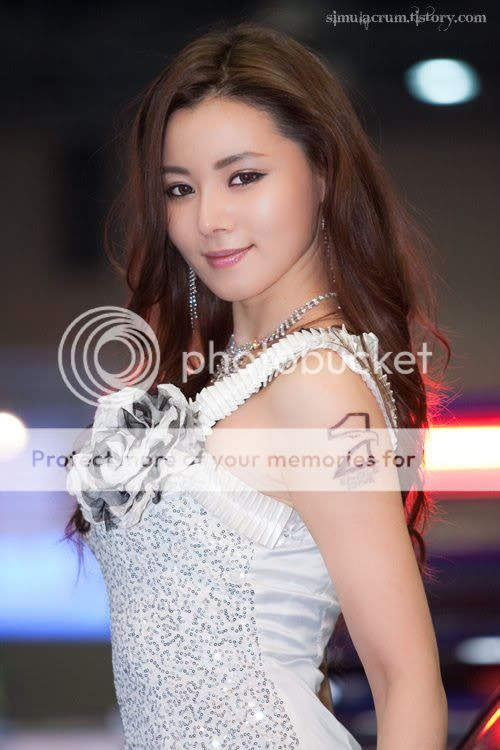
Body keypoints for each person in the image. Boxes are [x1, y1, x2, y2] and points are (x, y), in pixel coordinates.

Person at [65, 21, 450, 749]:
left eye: (243, 177)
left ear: (323, 172)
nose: (209, 219)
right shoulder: (222, 374)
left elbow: (406, 680)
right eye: (180, 188)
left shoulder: (320, 385)